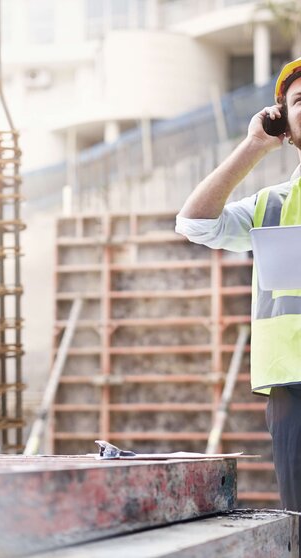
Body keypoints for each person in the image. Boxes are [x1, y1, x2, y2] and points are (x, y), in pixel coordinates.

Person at [176, 57, 301, 517]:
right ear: (283, 127)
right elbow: (194, 224)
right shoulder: (272, 204)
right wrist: (252, 146)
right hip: (296, 388)